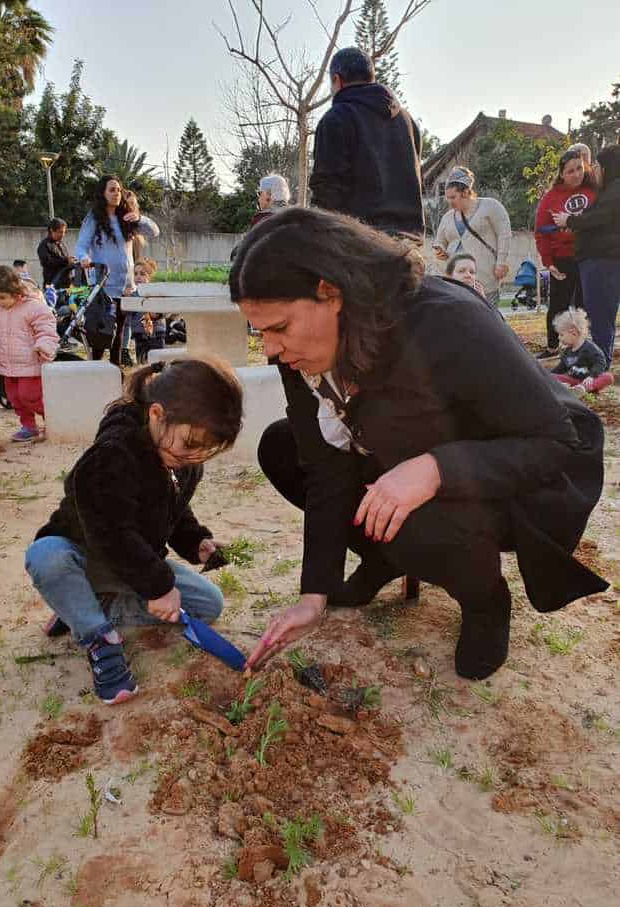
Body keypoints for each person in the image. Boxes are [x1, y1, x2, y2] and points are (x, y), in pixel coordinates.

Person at [230, 208, 607, 681]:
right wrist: (314, 594)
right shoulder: (297, 355)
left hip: (519, 469)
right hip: (407, 453)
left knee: (415, 505)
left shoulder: (444, 321)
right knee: (283, 448)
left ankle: (484, 598)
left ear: (331, 292)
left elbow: (555, 446)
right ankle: (384, 557)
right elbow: (325, 468)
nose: (269, 349)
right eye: (259, 332)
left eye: (279, 328)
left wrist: (434, 469)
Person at [24, 358, 243, 705]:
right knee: (45, 558)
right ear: (156, 414)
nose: (194, 455)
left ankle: (80, 609)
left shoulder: (181, 461)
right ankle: (98, 637)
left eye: (206, 449)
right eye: (189, 444)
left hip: (135, 564)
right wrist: (158, 587)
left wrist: (195, 540)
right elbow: (112, 533)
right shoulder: (112, 455)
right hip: (85, 555)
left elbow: (174, 508)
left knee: (207, 604)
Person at [309, 46, 424, 241]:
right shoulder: (408, 122)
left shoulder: (337, 118)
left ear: (336, 80)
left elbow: (327, 190)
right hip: (409, 246)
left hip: (361, 247)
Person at [0, 266, 58, 442]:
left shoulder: (33, 307)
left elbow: (47, 329)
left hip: (30, 363)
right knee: (15, 398)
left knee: (31, 396)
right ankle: (29, 426)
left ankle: (52, 421)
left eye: (2, 297)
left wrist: (44, 346)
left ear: (15, 291)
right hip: (7, 365)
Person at [75, 176, 159, 365]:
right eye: (111, 190)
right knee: (101, 332)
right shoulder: (93, 218)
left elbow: (154, 231)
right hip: (103, 286)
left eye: (119, 190)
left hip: (125, 287)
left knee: (120, 333)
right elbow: (80, 246)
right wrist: (84, 258)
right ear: (102, 193)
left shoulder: (126, 217)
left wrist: (139, 217)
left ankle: (115, 370)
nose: (116, 194)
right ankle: (94, 368)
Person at [553, 144, 620, 366]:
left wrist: (569, 220)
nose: (595, 171)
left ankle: (600, 366)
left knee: (601, 316)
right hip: (596, 261)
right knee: (596, 314)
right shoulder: (609, 190)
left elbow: (600, 218)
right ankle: (595, 361)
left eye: (599, 166)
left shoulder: (616, 189)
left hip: (603, 261)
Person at [533, 150, 597, 359]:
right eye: (570, 171)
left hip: (590, 256)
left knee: (585, 304)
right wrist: (548, 261)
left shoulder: (595, 190)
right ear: (561, 174)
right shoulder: (550, 198)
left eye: (580, 168)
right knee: (558, 306)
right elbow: (541, 232)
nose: (577, 174)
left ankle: (583, 347)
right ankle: (553, 346)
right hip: (563, 259)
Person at [434, 166, 512, 309]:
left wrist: (501, 262)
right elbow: (439, 241)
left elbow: (504, 234)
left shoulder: (490, 206)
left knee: (487, 316)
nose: (449, 202)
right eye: (447, 198)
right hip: (455, 279)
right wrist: (440, 250)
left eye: (453, 197)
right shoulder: (447, 217)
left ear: (465, 192)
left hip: (484, 276)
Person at [550, 309, 613, 395]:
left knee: (608, 377)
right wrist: (548, 374)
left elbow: (600, 362)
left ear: (574, 333)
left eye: (561, 335)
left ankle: (582, 389)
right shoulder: (567, 351)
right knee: (551, 377)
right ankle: (567, 388)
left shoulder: (589, 348)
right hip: (572, 379)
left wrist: (592, 376)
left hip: (589, 380)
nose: (559, 338)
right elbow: (562, 367)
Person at [37, 218, 74, 289]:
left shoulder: (61, 244)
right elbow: (47, 262)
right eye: (60, 232)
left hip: (66, 285)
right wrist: (66, 261)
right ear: (51, 230)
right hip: (53, 285)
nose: (62, 235)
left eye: (64, 232)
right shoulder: (44, 245)